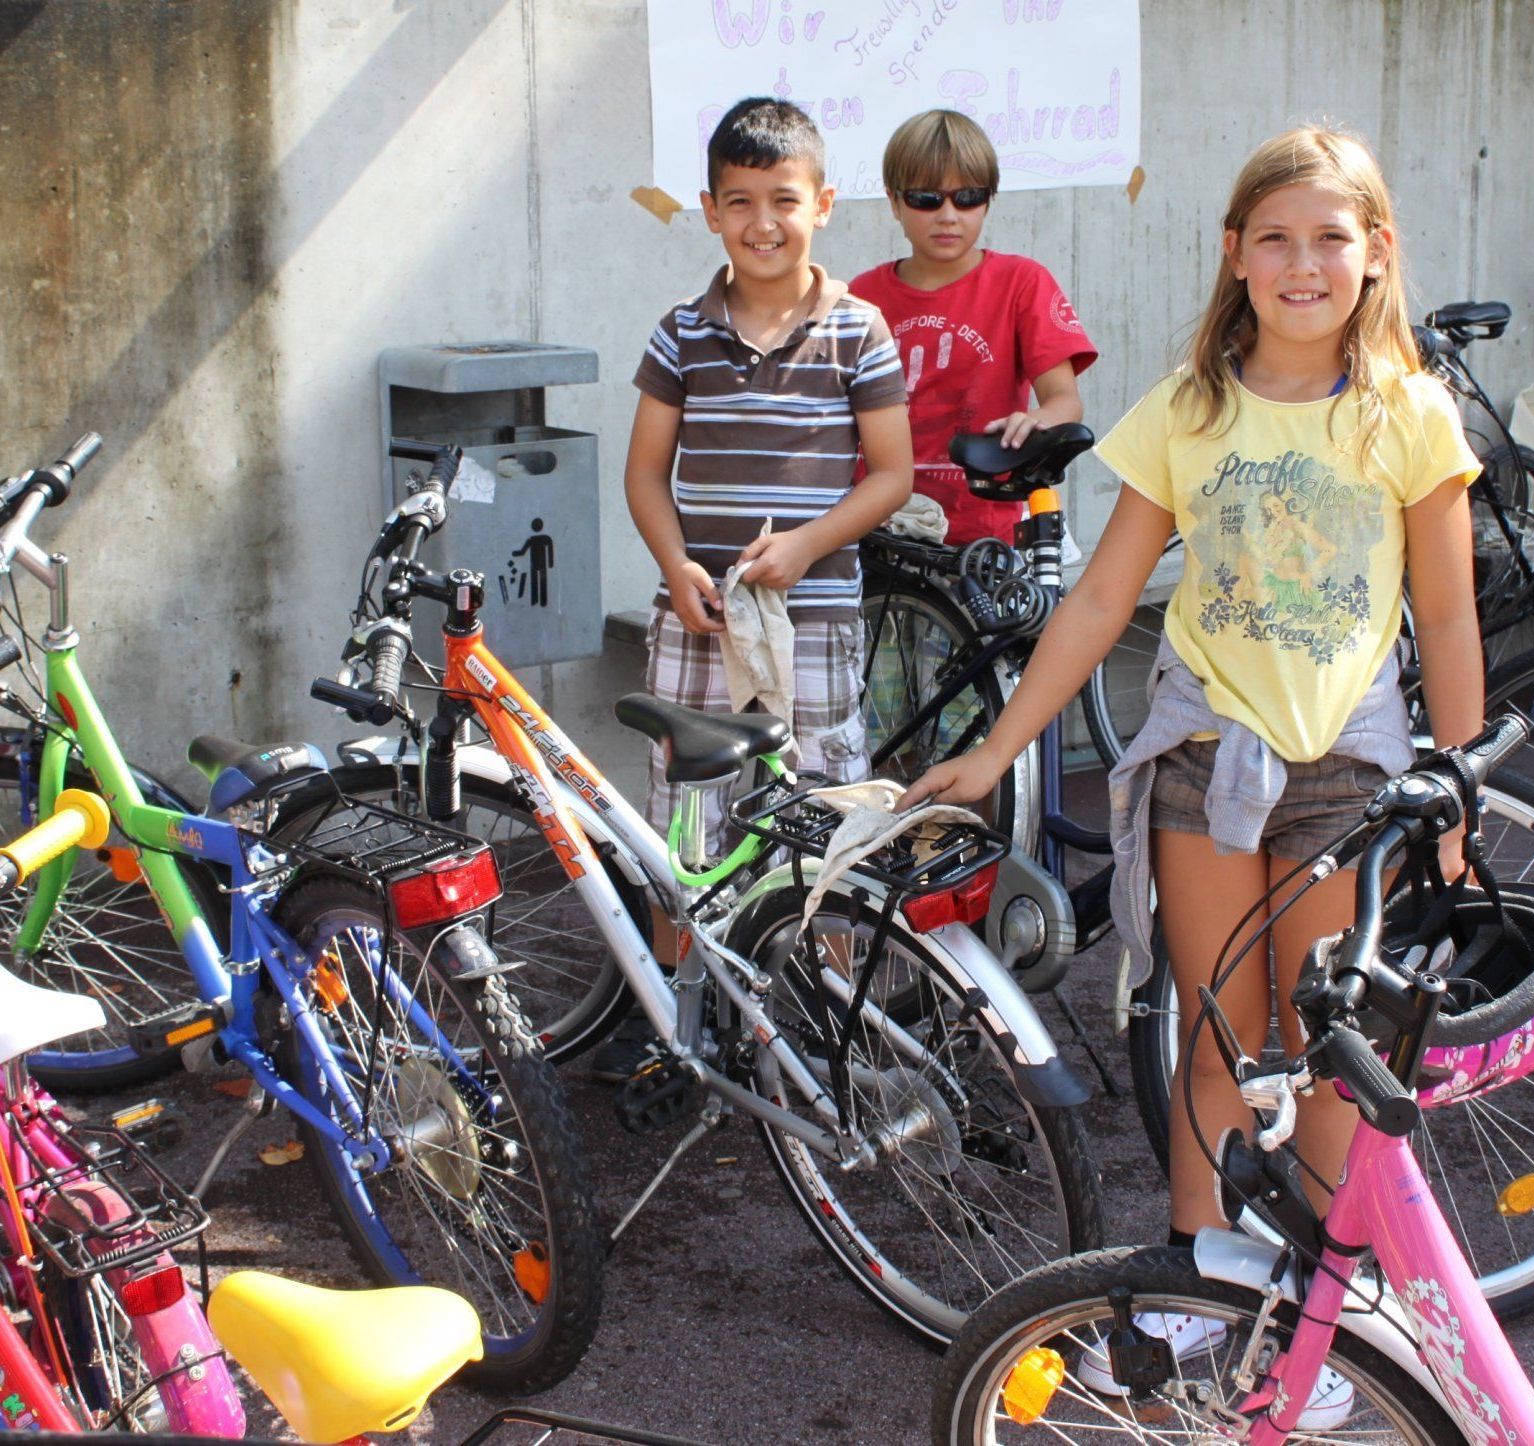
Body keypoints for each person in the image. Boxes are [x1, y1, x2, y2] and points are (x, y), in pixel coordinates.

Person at [899, 125, 1482, 1428]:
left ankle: (1320, 1315)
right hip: (1204, 758)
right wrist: (998, 750)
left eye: (1331, 236)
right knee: (1215, 1029)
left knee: (1324, 1051)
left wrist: (1456, 776)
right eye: (1273, 236)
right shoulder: (1191, 407)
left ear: (1375, 253)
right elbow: (1105, 593)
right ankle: (1186, 1288)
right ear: (1233, 253)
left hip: (1352, 771)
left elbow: (1447, 617)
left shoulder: (1408, 415)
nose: (1301, 262)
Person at [595, 97, 913, 1083]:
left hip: (810, 626)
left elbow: (890, 474)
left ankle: (829, 1021)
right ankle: (682, 1022)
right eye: (740, 202)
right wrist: (672, 564)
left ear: (821, 203)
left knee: (821, 822)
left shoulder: (858, 331)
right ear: (708, 209)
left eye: (783, 200)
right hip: (695, 626)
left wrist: (812, 542)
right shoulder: (681, 333)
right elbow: (645, 472)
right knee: (686, 831)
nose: (762, 223)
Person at [850, 109, 1097, 546]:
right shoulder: (861, 296)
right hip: (878, 527)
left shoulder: (1022, 282)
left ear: (989, 199)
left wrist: (1036, 420)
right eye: (926, 198)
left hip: (984, 528)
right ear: (893, 201)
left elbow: (1065, 401)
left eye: (967, 197)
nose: (948, 215)